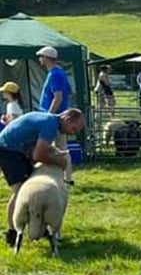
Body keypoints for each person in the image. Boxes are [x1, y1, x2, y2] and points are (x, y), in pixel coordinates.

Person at [0, 108, 85, 246]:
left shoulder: (49, 121)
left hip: (17, 150)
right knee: (21, 191)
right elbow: (38, 155)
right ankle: (12, 232)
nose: (72, 133)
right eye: (73, 128)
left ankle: (39, 227)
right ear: (66, 119)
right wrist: (60, 162)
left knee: (28, 187)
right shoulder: (50, 125)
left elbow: (38, 149)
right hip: (7, 149)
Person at [36, 46, 74, 185]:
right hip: (59, 115)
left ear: (46, 58)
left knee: (59, 147)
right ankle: (64, 177)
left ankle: (67, 178)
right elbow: (68, 92)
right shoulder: (59, 72)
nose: (40, 59)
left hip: (55, 116)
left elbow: (57, 97)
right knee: (58, 147)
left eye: (41, 57)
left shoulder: (55, 75)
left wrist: (49, 115)